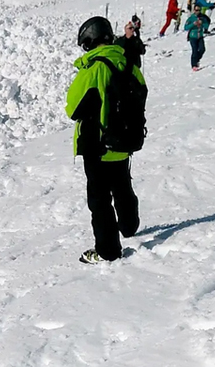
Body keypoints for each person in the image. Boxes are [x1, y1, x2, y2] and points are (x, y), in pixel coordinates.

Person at [65, 16, 146, 263]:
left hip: (97, 146)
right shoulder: (128, 64)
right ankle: (129, 226)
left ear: (89, 41)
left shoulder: (94, 68)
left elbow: (73, 108)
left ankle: (108, 251)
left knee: (99, 200)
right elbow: (141, 92)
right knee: (122, 186)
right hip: (124, 142)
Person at [184, 4, 210, 71]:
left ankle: (197, 60)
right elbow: (186, 27)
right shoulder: (191, 18)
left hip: (200, 36)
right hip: (193, 36)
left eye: (198, 10)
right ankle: (194, 65)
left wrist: (202, 23)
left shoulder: (203, 17)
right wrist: (193, 24)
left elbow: (206, 25)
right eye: (196, 10)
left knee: (202, 49)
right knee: (195, 50)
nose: (197, 11)